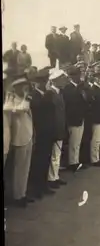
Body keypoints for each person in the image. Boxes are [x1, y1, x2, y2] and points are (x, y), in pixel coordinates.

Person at [4, 73, 34, 207]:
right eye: (21, 86)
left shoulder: (23, 99)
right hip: (19, 138)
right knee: (19, 169)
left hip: (28, 136)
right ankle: (17, 196)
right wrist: (25, 97)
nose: (24, 89)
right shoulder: (12, 100)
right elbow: (22, 109)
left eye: (25, 86)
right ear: (15, 88)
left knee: (25, 168)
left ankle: (23, 193)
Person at [27, 67, 57, 199]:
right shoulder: (34, 95)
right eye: (42, 81)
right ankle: (36, 188)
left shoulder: (45, 95)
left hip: (47, 132)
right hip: (39, 133)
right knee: (38, 162)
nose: (44, 84)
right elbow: (38, 110)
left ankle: (43, 185)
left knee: (46, 159)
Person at [62, 66, 88, 173]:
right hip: (73, 119)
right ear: (72, 77)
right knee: (73, 143)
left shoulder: (80, 88)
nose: (79, 77)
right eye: (76, 75)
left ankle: (76, 161)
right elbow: (70, 104)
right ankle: (72, 163)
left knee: (77, 143)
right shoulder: (68, 89)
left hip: (80, 118)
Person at [46, 69, 69, 189]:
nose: (64, 81)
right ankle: (51, 178)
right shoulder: (51, 94)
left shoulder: (59, 93)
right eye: (61, 79)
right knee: (54, 154)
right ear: (54, 81)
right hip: (55, 130)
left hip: (60, 128)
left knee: (57, 154)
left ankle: (55, 176)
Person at [88, 69, 100, 166]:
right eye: (99, 77)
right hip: (96, 117)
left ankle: (97, 157)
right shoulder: (94, 90)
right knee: (96, 140)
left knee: (98, 139)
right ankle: (94, 159)